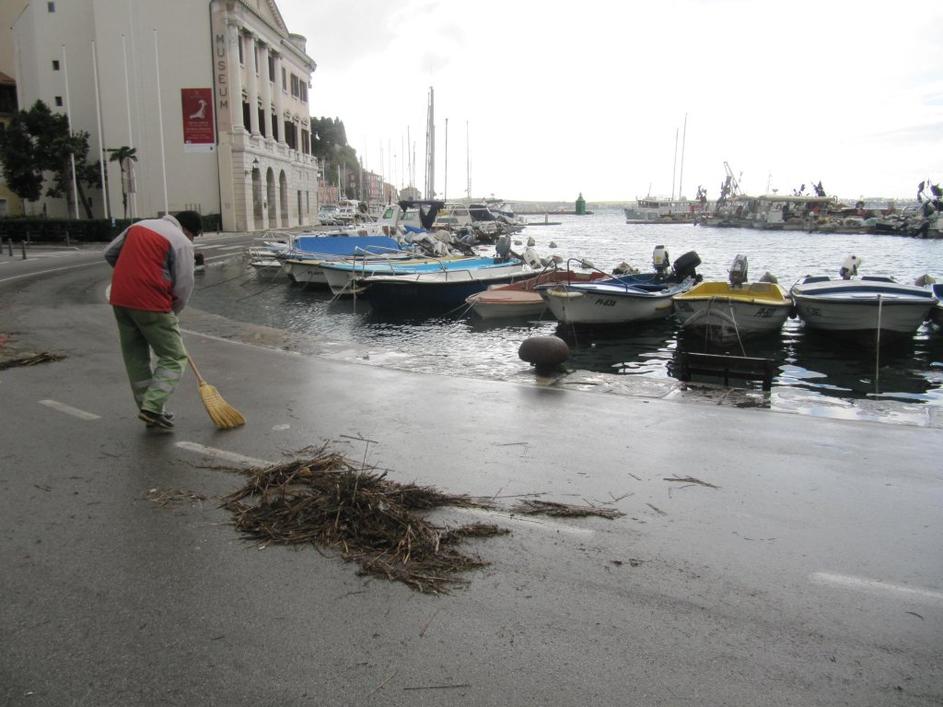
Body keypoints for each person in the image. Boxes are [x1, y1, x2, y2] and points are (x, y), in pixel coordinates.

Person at [104, 211, 202, 429]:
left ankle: (149, 410)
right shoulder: (181, 242)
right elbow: (184, 285)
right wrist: (173, 311)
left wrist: (131, 276)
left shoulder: (139, 226)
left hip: (120, 299)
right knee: (174, 357)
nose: (192, 240)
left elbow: (110, 253)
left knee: (135, 357)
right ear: (188, 230)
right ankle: (153, 405)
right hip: (151, 303)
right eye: (194, 235)